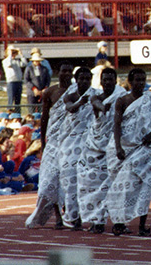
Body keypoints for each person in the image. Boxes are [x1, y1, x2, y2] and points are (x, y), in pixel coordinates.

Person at [106, 68, 151, 237]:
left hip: (144, 149)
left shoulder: (150, 100)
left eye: (143, 79)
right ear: (130, 82)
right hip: (124, 148)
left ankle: (143, 225)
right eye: (137, 80)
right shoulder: (122, 100)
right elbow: (116, 125)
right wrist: (118, 148)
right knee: (122, 188)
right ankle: (119, 223)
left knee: (146, 184)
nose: (141, 83)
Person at [77, 67, 126, 234]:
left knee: (112, 187)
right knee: (92, 186)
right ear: (101, 81)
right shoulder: (95, 97)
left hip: (113, 146)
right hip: (95, 147)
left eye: (110, 79)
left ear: (115, 80)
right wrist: (105, 107)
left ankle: (116, 221)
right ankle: (96, 221)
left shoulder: (121, 97)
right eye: (104, 80)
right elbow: (97, 104)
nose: (107, 82)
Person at [26, 63, 74, 229]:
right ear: (58, 72)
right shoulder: (50, 92)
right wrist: (43, 142)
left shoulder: (77, 92)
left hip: (70, 143)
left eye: (69, 71)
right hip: (53, 142)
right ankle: (58, 217)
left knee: (67, 181)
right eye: (64, 71)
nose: (66, 74)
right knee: (50, 180)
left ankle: (68, 214)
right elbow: (45, 119)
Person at [59, 67, 98, 230]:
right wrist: (81, 102)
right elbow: (70, 108)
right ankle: (71, 216)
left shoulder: (95, 94)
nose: (84, 81)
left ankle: (84, 216)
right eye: (81, 78)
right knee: (70, 183)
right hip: (70, 145)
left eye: (87, 79)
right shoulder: (70, 95)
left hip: (89, 144)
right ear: (76, 80)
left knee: (87, 182)